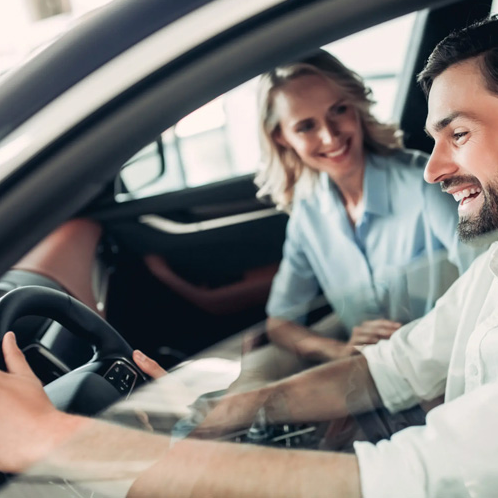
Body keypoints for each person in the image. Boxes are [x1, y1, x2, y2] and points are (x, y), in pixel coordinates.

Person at [0, 13, 498, 498]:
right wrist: (217, 415)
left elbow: (396, 481)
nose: (435, 167)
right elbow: (389, 367)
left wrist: (60, 441)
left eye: (457, 134)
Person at [148, 50, 472, 387]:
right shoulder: (308, 213)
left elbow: (487, 282)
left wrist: (415, 343)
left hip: (443, 367)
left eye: (338, 111)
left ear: (356, 106)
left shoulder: (425, 184)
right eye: (306, 127)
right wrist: (338, 350)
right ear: (281, 137)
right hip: (371, 377)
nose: (330, 137)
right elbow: (280, 322)